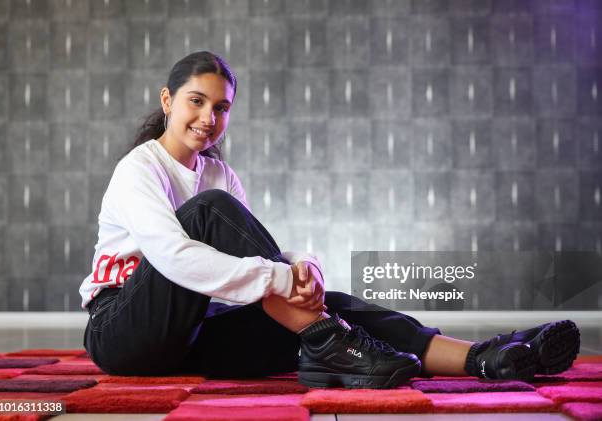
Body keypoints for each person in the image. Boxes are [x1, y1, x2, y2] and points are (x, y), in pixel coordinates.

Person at [81, 51, 580, 388]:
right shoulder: (140, 169)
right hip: (125, 331)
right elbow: (175, 257)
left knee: (338, 304)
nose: (209, 117)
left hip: (195, 336)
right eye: (196, 101)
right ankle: (330, 344)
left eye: (222, 107)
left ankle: (487, 358)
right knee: (209, 215)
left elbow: (245, 249)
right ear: (167, 101)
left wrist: (303, 266)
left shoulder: (220, 173)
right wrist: (280, 275)